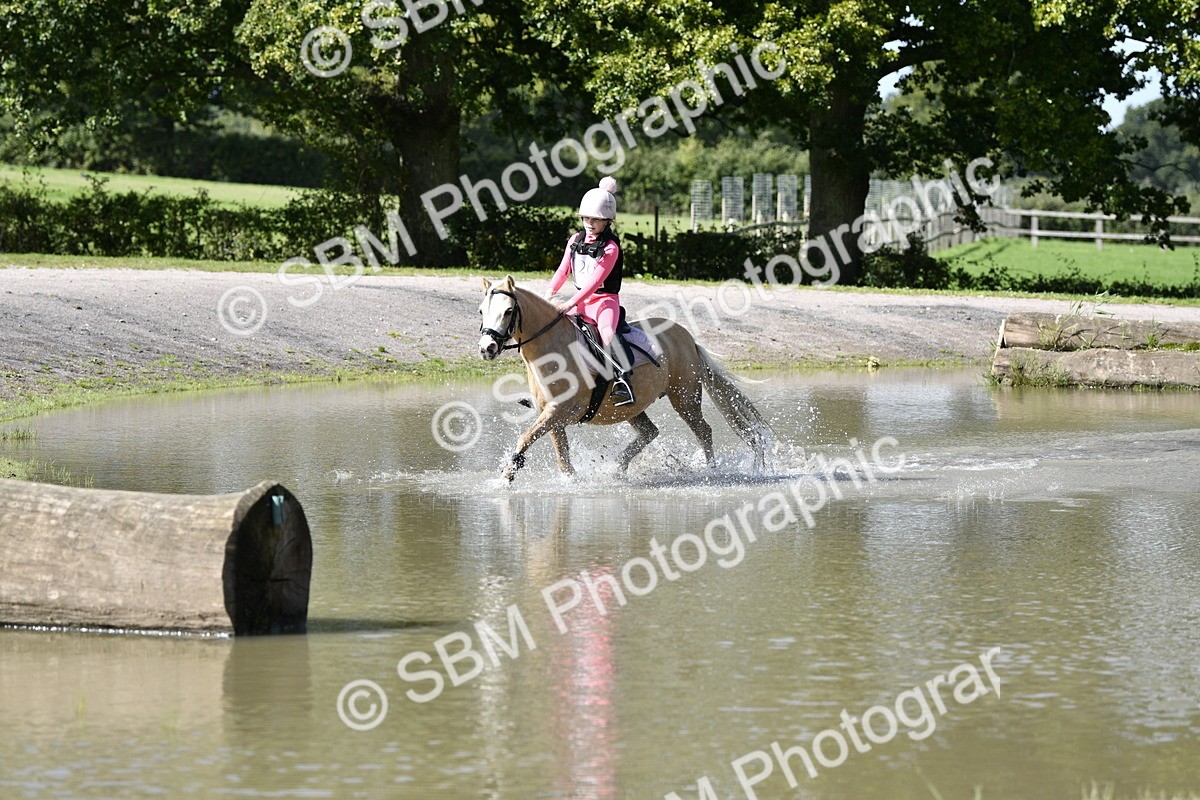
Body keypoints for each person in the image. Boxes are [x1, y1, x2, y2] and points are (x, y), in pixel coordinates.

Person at [545, 176, 636, 407]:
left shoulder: (611, 248)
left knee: (606, 334)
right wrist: (548, 294)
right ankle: (544, 386)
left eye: (596, 219)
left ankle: (624, 381)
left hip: (604, 302)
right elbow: (563, 271)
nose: (590, 223)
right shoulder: (575, 240)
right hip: (580, 302)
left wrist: (568, 304)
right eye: (586, 218)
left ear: (607, 221)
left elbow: (594, 283)